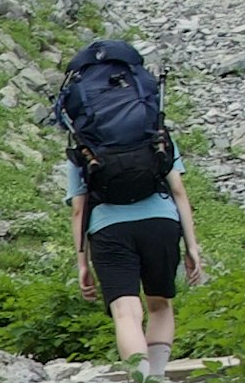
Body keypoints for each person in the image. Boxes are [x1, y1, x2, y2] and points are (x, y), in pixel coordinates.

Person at [53, 33, 203, 365]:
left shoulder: (84, 143)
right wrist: (192, 246)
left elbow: (79, 210)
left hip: (109, 228)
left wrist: (82, 264)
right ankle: (159, 382)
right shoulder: (155, 131)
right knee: (160, 304)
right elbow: (179, 191)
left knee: (125, 310)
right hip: (161, 222)